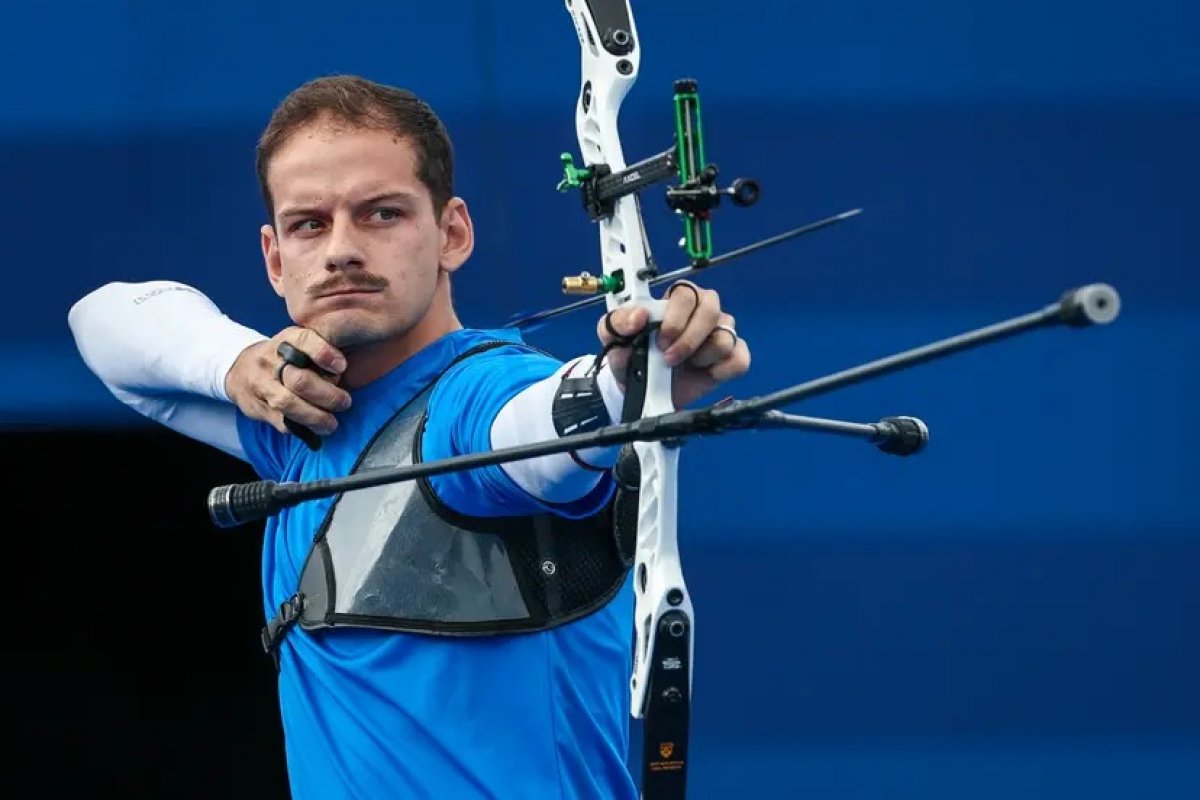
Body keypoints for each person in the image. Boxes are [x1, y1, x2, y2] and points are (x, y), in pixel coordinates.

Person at [67, 75, 750, 799]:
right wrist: (236, 364)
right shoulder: (299, 424)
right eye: (309, 225)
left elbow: (541, 428)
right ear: (274, 259)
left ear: (452, 233)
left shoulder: (475, 395)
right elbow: (103, 322)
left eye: (381, 214)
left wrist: (627, 380)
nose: (341, 250)